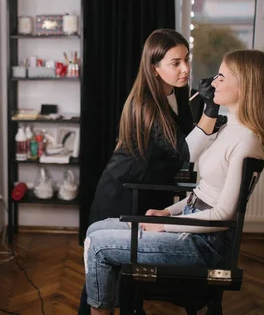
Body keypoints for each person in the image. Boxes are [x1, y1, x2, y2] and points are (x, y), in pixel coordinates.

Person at [83, 49, 264, 314]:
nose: (213, 83)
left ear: (245, 84)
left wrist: (165, 225)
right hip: (189, 226)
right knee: (95, 230)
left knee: (98, 247)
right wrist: (168, 212)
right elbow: (202, 192)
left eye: (221, 77)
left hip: (202, 245)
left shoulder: (247, 141)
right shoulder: (229, 128)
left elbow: (223, 214)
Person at [79, 28, 211, 315]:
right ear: (154, 68)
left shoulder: (176, 95)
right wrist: (210, 115)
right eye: (175, 63)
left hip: (146, 195)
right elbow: (187, 153)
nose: (185, 69)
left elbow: (186, 141)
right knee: (102, 282)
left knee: (127, 281)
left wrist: (203, 108)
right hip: (120, 194)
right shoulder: (146, 104)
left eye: (186, 60)